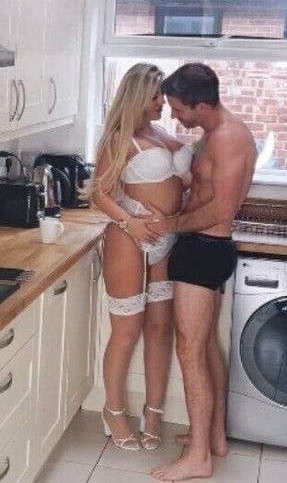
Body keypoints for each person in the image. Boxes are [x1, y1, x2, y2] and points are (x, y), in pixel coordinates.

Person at [146, 63, 256, 481]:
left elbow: (222, 209)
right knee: (206, 345)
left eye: (179, 109)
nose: (175, 116)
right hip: (205, 248)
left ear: (202, 105)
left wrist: (172, 225)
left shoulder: (227, 138)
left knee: (189, 351)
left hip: (204, 250)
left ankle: (197, 458)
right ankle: (213, 438)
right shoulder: (215, 133)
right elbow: (203, 186)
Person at [79, 63, 193, 452]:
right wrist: (131, 223)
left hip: (167, 239)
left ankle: (153, 412)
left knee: (160, 330)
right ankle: (113, 411)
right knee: (127, 332)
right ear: (138, 95)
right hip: (129, 238)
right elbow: (99, 192)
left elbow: (182, 179)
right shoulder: (119, 138)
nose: (163, 102)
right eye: (156, 95)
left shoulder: (160, 133)